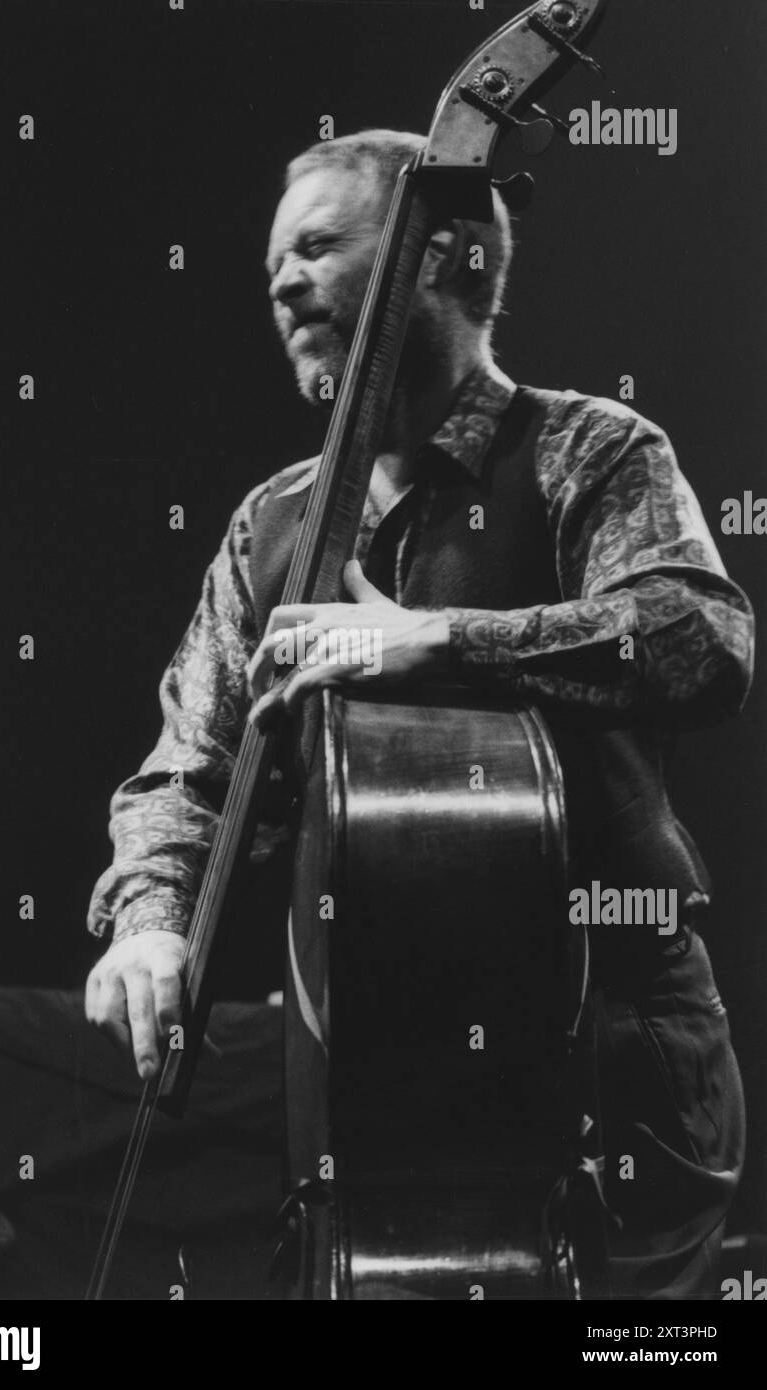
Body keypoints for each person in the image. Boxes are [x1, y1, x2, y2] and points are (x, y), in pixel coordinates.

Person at [85, 130, 753, 1299]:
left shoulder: (585, 448)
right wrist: (150, 920)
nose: (283, 283)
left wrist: (441, 640)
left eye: (319, 247)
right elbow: (184, 773)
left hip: (604, 1058)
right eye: (270, 267)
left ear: (450, 258)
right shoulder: (271, 527)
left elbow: (701, 638)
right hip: (369, 1081)